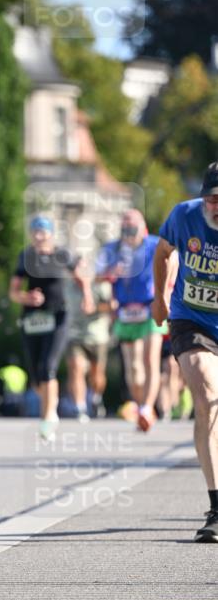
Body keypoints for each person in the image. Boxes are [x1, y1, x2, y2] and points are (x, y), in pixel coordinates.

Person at [152, 163, 218, 543]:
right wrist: (161, 298)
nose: (215, 206)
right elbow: (163, 253)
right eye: (211, 198)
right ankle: (216, 505)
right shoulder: (184, 215)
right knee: (207, 394)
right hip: (192, 322)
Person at [9, 216, 93, 441]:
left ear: (50, 234)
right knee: (37, 374)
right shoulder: (26, 256)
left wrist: (87, 297)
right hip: (33, 319)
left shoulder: (62, 254)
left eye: (42, 232)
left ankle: (48, 417)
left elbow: (81, 277)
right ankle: (49, 404)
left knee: (48, 365)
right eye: (35, 231)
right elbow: (14, 291)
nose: (38, 236)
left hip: (58, 316)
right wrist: (27, 297)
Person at [95, 209, 168, 432]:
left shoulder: (155, 244)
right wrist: (110, 273)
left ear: (142, 226)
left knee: (150, 360)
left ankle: (147, 407)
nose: (129, 229)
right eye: (125, 225)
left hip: (150, 308)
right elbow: (96, 275)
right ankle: (140, 406)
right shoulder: (112, 249)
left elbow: (173, 264)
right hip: (125, 312)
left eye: (133, 225)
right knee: (133, 368)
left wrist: (166, 294)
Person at [65, 279, 113, 421]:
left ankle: (96, 397)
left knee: (97, 374)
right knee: (76, 368)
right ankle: (80, 408)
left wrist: (94, 307)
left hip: (97, 335)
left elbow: (111, 305)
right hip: (74, 334)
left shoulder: (101, 284)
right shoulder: (67, 284)